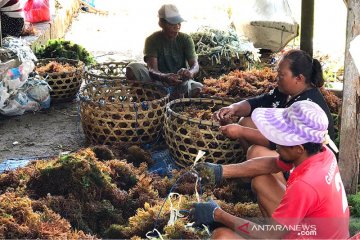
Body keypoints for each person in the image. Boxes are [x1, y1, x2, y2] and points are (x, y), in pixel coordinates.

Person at [191, 100, 349, 239]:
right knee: (261, 179)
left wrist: (218, 214)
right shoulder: (322, 152)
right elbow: (271, 164)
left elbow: (269, 233)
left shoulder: (304, 185)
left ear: (299, 148)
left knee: (222, 237)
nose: (275, 144)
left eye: (280, 140)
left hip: (300, 234)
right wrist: (221, 171)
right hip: (318, 231)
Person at [214, 49, 336, 160]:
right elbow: (257, 102)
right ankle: (255, 172)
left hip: (309, 160)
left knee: (257, 153)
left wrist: (241, 132)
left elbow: (281, 140)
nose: (277, 78)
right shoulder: (285, 91)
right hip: (287, 148)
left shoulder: (307, 105)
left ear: (299, 78)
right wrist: (233, 108)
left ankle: (262, 177)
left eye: (282, 75)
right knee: (245, 122)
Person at [125, 4, 203, 98]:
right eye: (172, 24)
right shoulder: (152, 40)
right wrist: (164, 77)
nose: (177, 27)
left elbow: (195, 65)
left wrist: (190, 72)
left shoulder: (186, 39)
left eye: (179, 23)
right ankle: (149, 98)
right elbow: (152, 69)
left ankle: (174, 96)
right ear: (161, 23)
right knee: (132, 68)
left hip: (181, 83)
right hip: (158, 83)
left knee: (200, 88)